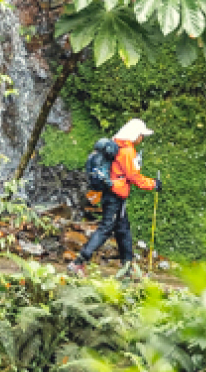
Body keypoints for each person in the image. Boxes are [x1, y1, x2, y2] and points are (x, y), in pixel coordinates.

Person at [67, 118, 162, 278]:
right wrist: (153, 184)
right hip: (115, 195)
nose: (142, 138)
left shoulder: (117, 144)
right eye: (141, 135)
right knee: (106, 228)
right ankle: (78, 262)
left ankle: (128, 267)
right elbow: (133, 177)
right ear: (135, 135)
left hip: (114, 194)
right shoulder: (126, 150)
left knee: (123, 230)